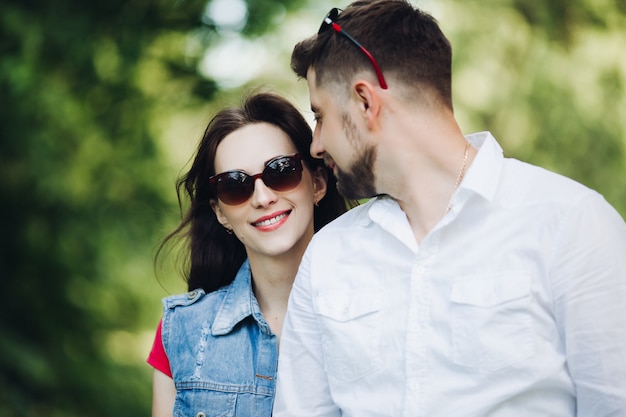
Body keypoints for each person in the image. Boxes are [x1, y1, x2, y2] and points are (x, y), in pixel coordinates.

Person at [273, 1, 626, 416]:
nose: (315, 145)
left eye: (320, 116)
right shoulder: (328, 255)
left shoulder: (573, 224)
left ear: (365, 102)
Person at [146, 92, 353, 417]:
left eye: (281, 170)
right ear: (220, 213)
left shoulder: (380, 307)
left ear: (317, 183)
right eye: (235, 185)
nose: (262, 197)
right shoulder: (182, 333)